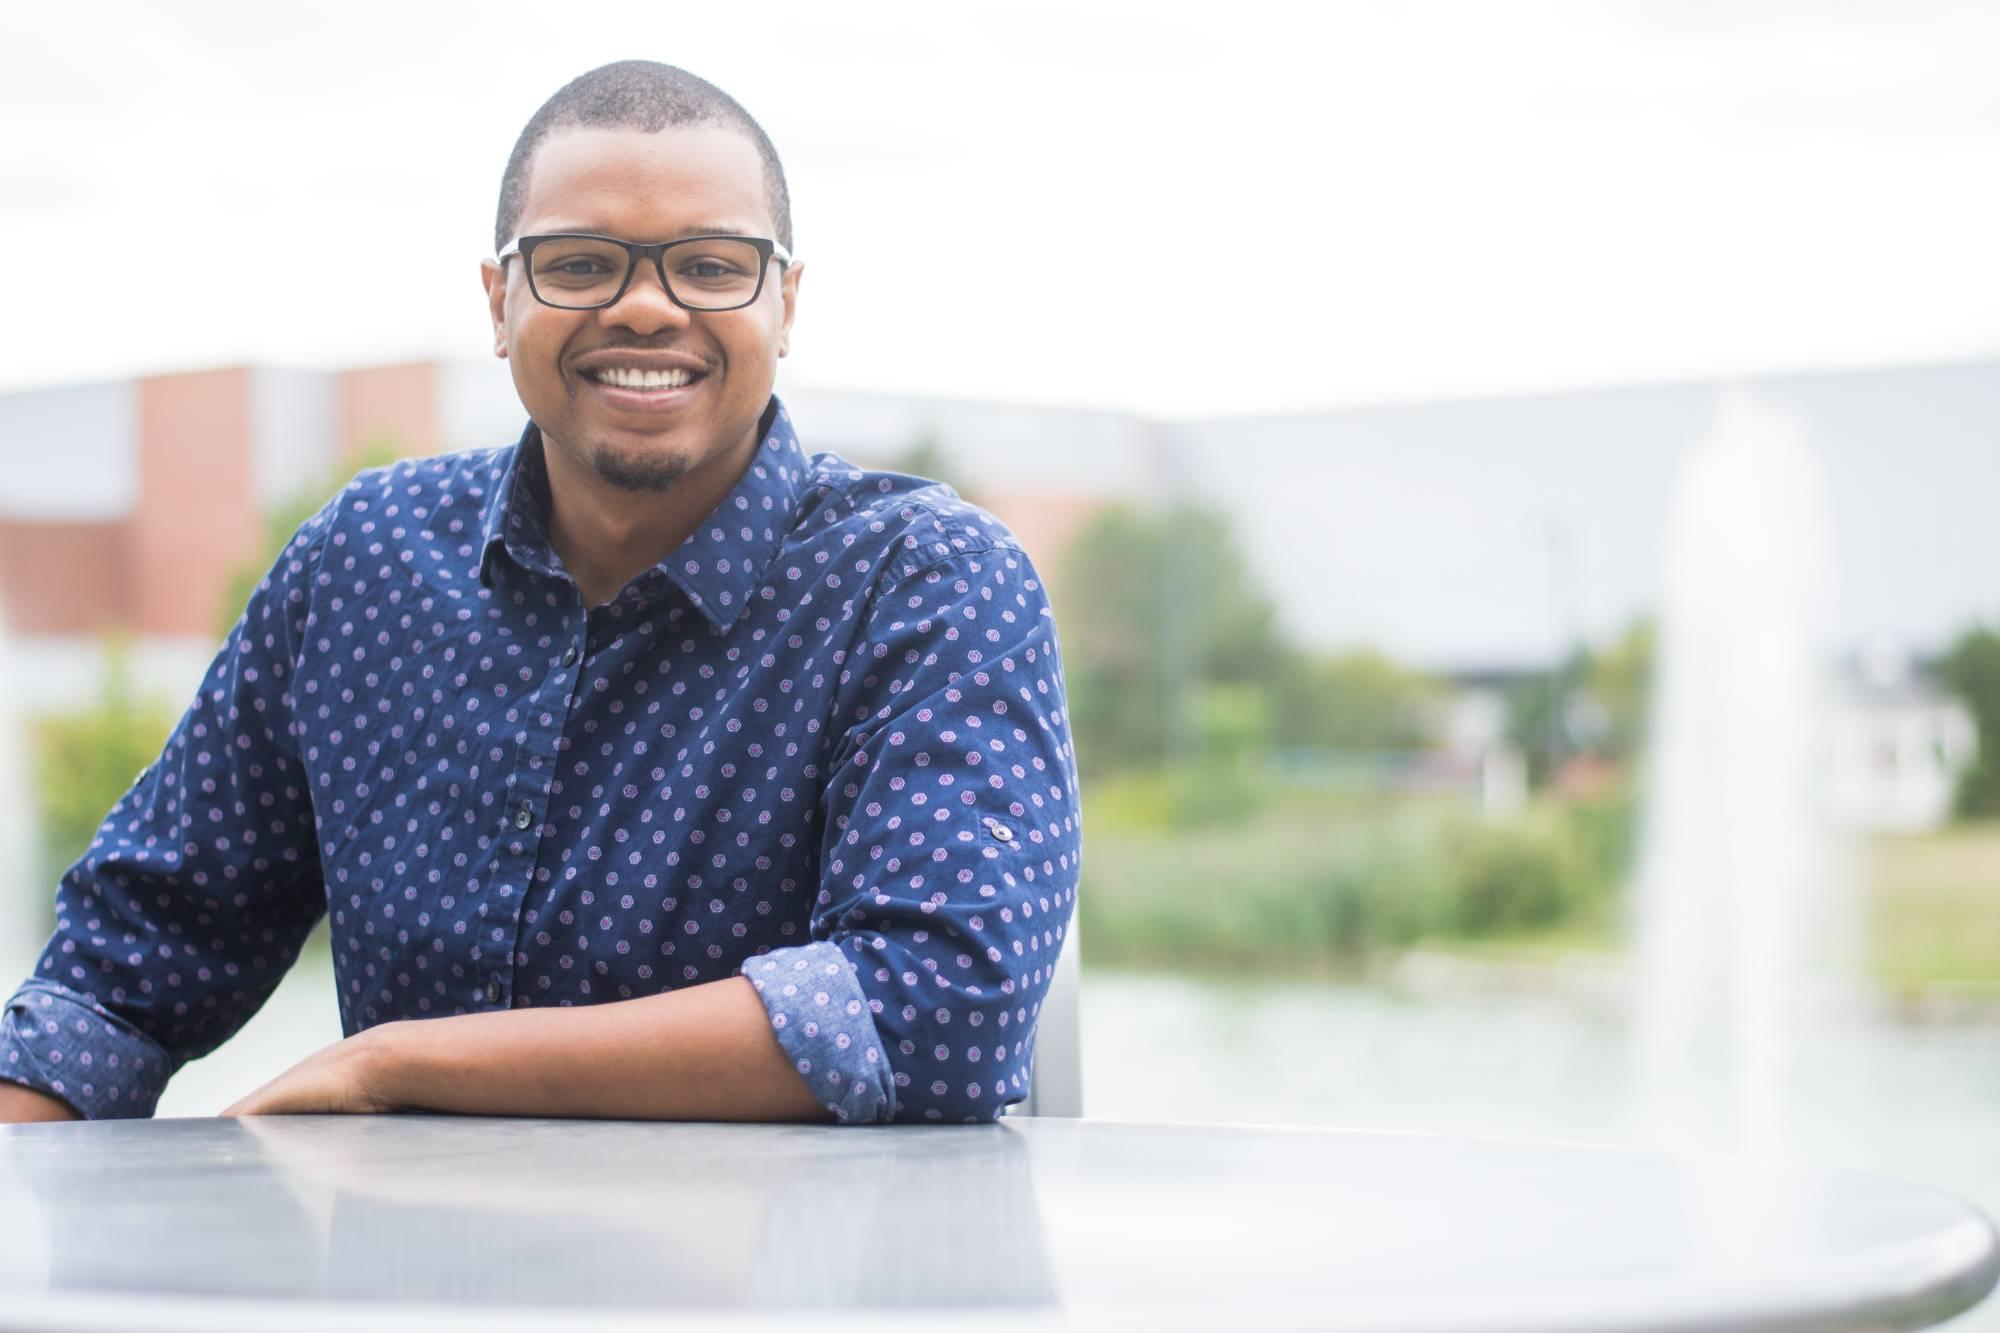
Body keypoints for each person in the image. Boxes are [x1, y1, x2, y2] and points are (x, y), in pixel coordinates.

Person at [0, 61, 1080, 1127]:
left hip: (778, 1298)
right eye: (578, 264)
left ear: (784, 302)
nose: (647, 308)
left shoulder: (922, 583)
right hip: (408, 1296)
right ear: (498, 299)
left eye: (710, 266)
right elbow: (120, 974)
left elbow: (936, 1008)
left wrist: (397, 1065)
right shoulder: (360, 564)